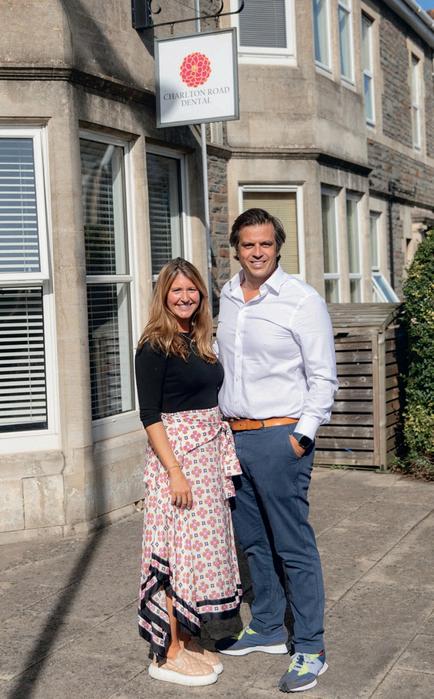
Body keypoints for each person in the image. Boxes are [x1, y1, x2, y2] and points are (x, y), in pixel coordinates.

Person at [215, 209, 338, 693]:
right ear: (236, 249)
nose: (257, 252)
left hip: (279, 437)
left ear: (278, 247)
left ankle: (310, 647)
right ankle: (267, 626)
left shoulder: (301, 300)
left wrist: (300, 437)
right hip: (233, 436)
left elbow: (323, 378)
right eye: (248, 245)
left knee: (292, 545)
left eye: (265, 244)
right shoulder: (227, 295)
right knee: (253, 541)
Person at [135, 257, 242, 688]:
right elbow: (150, 415)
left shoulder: (198, 340)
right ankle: (168, 651)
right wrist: (175, 472)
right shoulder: (154, 345)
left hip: (208, 459)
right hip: (178, 460)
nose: (184, 297)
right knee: (177, 553)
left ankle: (188, 637)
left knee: (197, 555)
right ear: (164, 296)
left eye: (191, 289)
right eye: (176, 290)